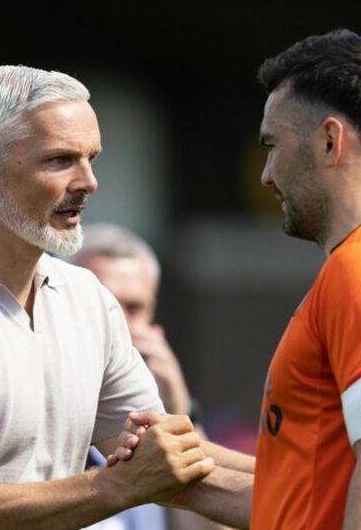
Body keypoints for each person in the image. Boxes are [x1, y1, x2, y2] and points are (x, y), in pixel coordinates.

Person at [0, 65, 252, 529]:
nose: (88, 181)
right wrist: (117, 485)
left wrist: (325, 488)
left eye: (91, 158)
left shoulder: (86, 298)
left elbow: (169, 465)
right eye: (60, 160)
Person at [119, 29, 361, 529]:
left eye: (273, 145)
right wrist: (181, 472)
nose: (267, 173)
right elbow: (307, 495)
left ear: (331, 141)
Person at [72, 223, 218, 530]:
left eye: (134, 308)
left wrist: (182, 414)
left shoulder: (159, 411)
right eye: (105, 305)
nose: (120, 325)